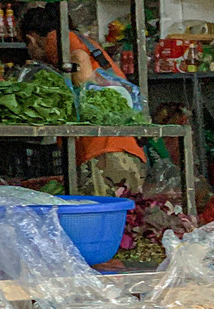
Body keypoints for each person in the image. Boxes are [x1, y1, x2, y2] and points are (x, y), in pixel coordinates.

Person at [19, 5, 146, 195]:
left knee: (98, 218)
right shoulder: (86, 42)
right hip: (123, 149)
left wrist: (82, 98)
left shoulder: (58, 40)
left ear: (31, 39)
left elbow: (80, 61)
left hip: (105, 153)